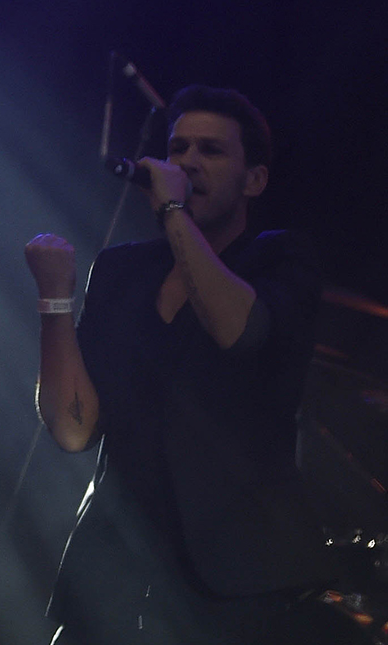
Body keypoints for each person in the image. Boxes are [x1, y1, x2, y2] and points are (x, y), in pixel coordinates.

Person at [28, 85, 345, 643]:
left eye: (211, 151)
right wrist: (55, 302)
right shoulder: (122, 272)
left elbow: (238, 330)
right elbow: (74, 431)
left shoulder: (280, 258)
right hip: (114, 569)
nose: (188, 163)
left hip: (238, 583)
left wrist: (173, 209)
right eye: (177, 149)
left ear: (255, 180)